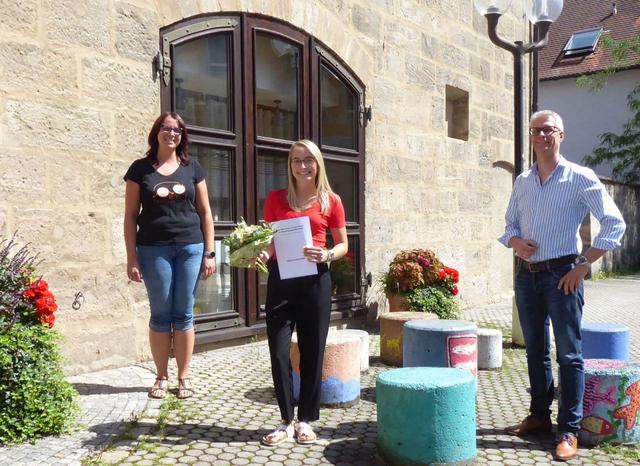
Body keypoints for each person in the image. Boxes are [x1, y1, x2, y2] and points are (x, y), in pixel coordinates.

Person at [499, 110, 626, 461]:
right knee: (534, 351)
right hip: (527, 275)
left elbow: (614, 224)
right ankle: (540, 416)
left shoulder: (580, 177)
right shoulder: (523, 181)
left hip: (562, 276)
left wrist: (584, 264)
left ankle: (568, 430)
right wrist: (516, 243)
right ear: (531, 137)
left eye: (549, 130)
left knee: (569, 355)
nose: (542, 136)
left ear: (561, 135)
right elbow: (509, 224)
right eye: (536, 131)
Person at [257, 139, 348, 446]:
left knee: (312, 352)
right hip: (281, 281)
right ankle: (285, 419)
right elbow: (269, 241)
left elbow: (343, 244)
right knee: (279, 351)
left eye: (308, 159)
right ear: (290, 165)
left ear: (318, 163)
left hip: (315, 281)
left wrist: (327, 255)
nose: (303, 165)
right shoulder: (275, 198)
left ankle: (306, 420)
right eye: (297, 160)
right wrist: (261, 253)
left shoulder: (330, 201)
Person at [124, 112, 216, 400]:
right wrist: (131, 257)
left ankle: (184, 377)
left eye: (177, 130)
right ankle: (161, 376)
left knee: (184, 313)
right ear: (157, 133)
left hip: (190, 247)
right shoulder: (140, 169)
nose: (171, 134)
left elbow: (205, 213)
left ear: (182, 136)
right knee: (161, 315)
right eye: (166, 129)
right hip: (153, 249)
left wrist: (210, 253)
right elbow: (129, 216)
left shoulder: (193, 168)